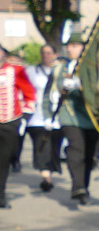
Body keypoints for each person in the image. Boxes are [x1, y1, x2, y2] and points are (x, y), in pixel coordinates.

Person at [52, 38, 99, 204]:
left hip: (91, 116)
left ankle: (83, 187)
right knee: (76, 148)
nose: (70, 49)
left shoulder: (93, 67)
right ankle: (77, 186)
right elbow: (51, 88)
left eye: (74, 46)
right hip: (69, 114)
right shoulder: (60, 67)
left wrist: (81, 86)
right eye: (68, 46)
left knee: (89, 154)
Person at [0, 47, 35, 207]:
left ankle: (1, 195)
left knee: (3, 161)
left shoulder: (16, 70)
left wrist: (25, 117)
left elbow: (29, 93)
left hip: (10, 121)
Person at [25, 43, 61, 192]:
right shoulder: (32, 71)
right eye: (43, 53)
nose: (45, 55)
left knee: (53, 146)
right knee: (42, 144)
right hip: (37, 117)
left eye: (48, 52)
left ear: (55, 55)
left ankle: (49, 171)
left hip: (57, 117)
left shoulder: (61, 71)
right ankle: (46, 176)